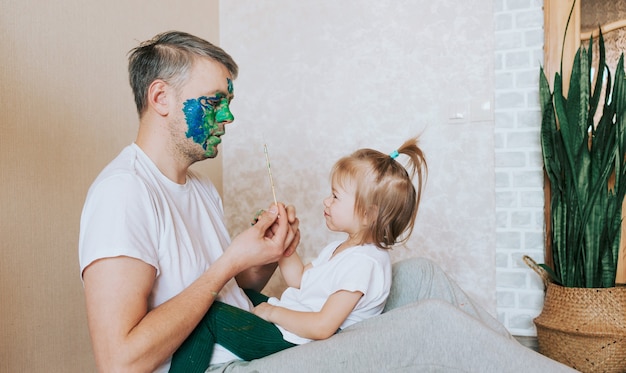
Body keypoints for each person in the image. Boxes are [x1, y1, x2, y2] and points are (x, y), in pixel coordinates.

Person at [78, 30, 300, 373]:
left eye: (229, 103)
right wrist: (228, 262)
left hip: (249, 350)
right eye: (214, 102)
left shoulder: (201, 188)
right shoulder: (123, 193)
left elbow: (224, 295)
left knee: (410, 281)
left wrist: (266, 255)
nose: (228, 117)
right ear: (161, 98)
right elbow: (119, 362)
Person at [169, 138, 428, 373]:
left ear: (368, 214)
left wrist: (272, 313)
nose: (326, 201)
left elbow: (322, 327)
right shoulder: (343, 249)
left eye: (336, 197)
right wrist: (284, 245)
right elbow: (301, 280)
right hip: (292, 328)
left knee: (209, 313)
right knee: (232, 293)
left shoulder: (365, 264)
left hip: (297, 341)